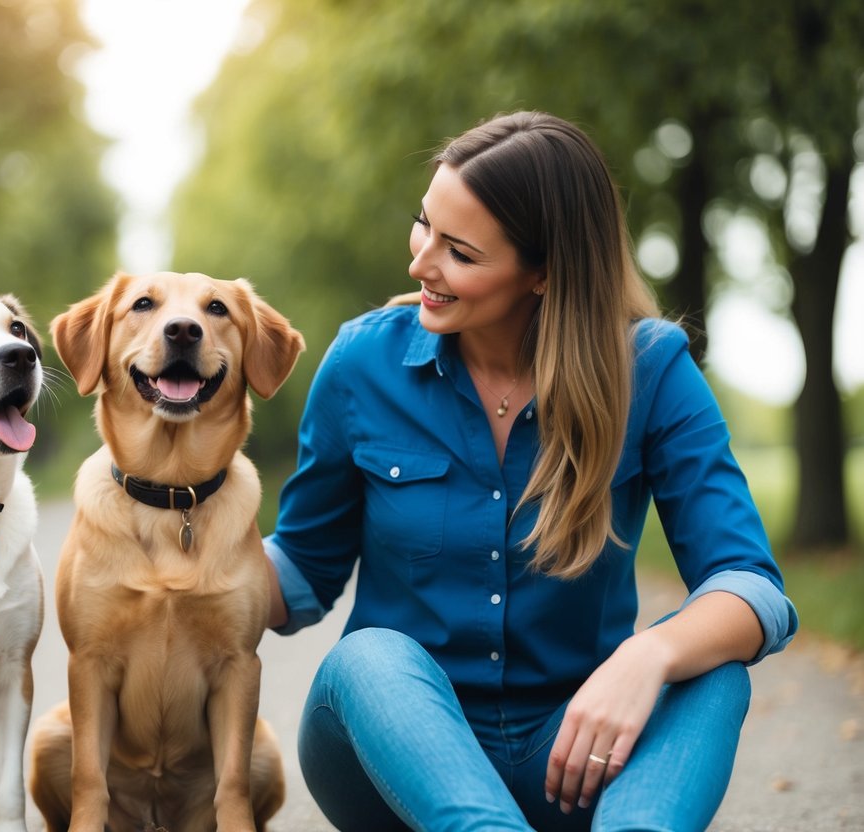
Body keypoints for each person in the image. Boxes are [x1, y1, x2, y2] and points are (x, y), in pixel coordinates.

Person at [263, 111, 798, 832]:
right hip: (396, 769)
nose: (420, 263)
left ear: (543, 271)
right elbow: (301, 568)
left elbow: (751, 588)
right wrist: (175, 517)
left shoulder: (650, 369)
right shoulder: (362, 364)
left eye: (459, 251)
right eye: (424, 226)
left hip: (576, 762)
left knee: (710, 674)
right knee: (369, 657)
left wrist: (648, 657)